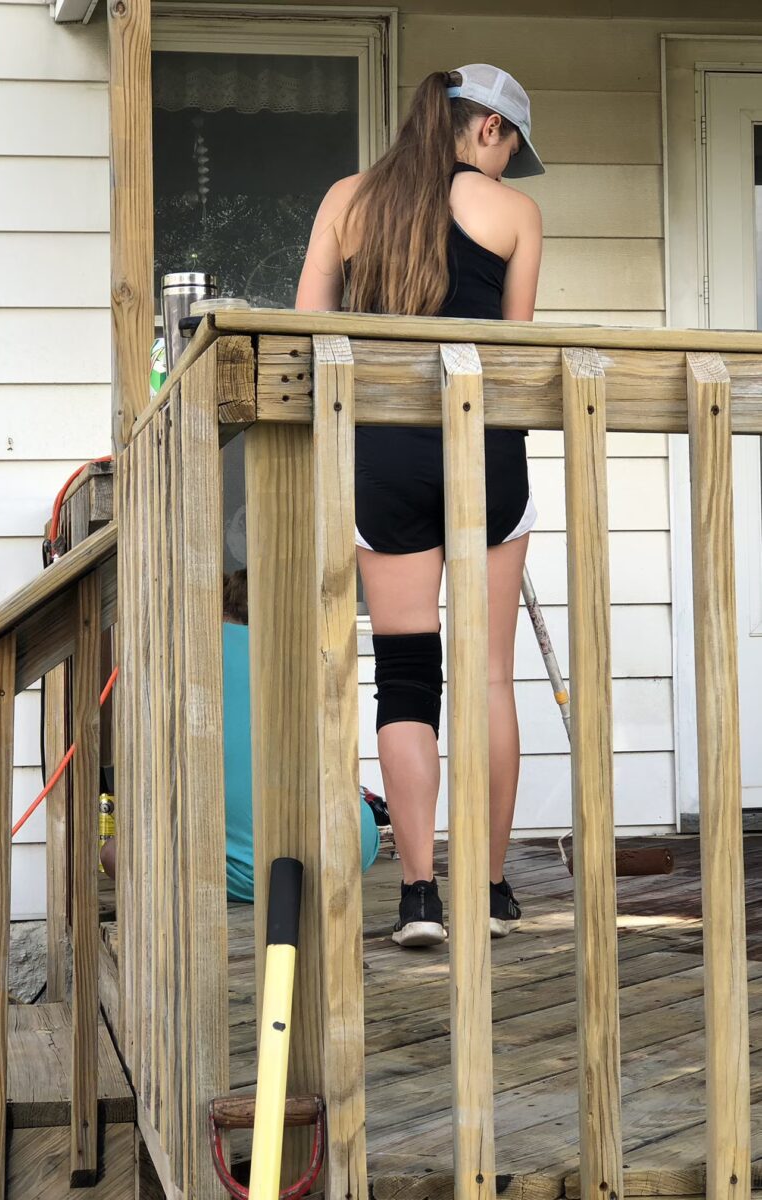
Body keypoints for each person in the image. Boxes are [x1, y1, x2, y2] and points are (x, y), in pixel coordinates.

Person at [295, 64, 544, 947]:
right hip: (486, 454)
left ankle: (419, 898)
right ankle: (488, 887)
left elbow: (308, 330)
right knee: (489, 676)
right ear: (487, 130)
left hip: (386, 457)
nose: (508, 167)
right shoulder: (511, 215)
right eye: (511, 146)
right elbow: (509, 355)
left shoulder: (346, 199)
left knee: (407, 674)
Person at [100, 570, 383, 896]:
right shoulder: (309, 650)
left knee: (114, 851)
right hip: (341, 855)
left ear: (219, 610)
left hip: (242, 870)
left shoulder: (184, 653)